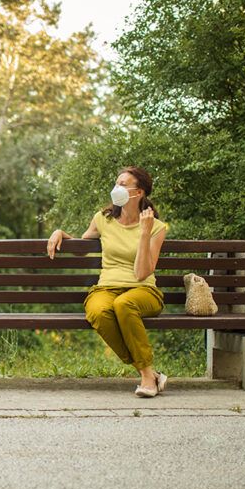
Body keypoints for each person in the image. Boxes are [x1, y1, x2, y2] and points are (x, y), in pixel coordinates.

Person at [47, 166, 170, 398]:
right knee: (99, 310)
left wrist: (144, 233)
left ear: (139, 192)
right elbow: (82, 248)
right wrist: (60, 232)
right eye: (116, 183)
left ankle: (146, 377)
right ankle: (148, 371)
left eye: (123, 185)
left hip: (144, 291)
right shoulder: (103, 219)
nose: (117, 188)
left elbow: (143, 272)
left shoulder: (156, 227)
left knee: (124, 305)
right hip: (106, 287)